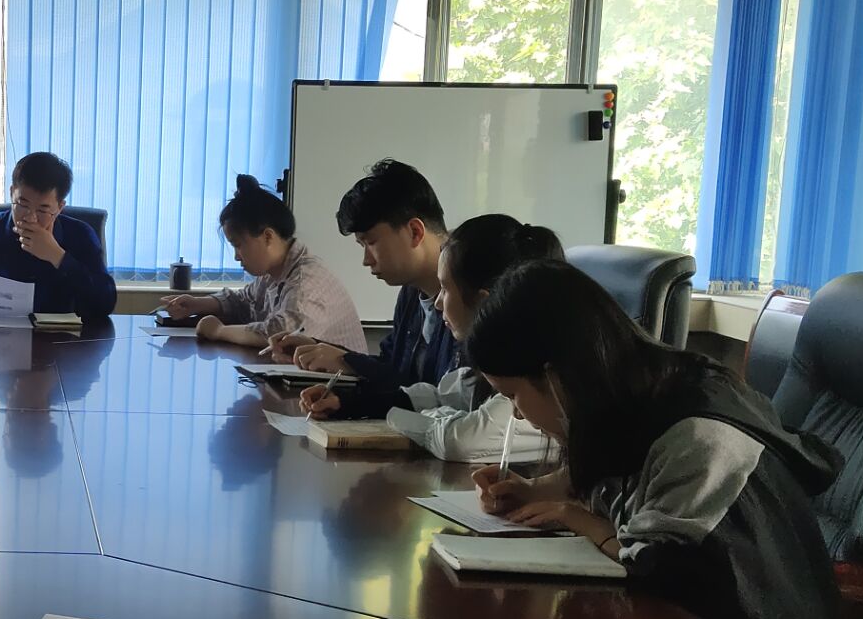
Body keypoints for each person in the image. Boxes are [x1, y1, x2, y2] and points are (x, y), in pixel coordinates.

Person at [466, 259, 856, 619]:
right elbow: (618, 476)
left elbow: (659, 570)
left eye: (513, 396)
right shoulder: (643, 394)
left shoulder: (700, 438)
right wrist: (534, 490)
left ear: (556, 377)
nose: (518, 415)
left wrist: (577, 518)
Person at [300, 214, 562, 464]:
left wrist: (405, 418)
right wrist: (348, 403)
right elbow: (439, 396)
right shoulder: (493, 368)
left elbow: (460, 441)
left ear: (484, 302)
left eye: (445, 290)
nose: (437, 303)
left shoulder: (536, 377)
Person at [266, 159, 454, 405]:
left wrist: (347, 362)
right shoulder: (411, 292)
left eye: (371, 242)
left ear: (415, 232)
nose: (366, 260)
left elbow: (446, 397)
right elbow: (393, 370)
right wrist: (321, 350)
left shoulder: (472, 291)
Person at [159, 175, 367, 351]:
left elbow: (280, 334)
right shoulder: (273, 273)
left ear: (267, 236)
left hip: (341, 386)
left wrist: (219, 331)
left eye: (238, 245)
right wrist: (196, 304)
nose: (237, 256)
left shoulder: (306, 281)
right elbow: (244, 301)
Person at [0, 152, 117, 318]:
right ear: (11, 193)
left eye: (43, 209)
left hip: (59, 345)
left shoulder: (80, 235)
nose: (30, 217)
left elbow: (105, 303)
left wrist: (58, 257)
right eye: (22, 204)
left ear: (59, 207)